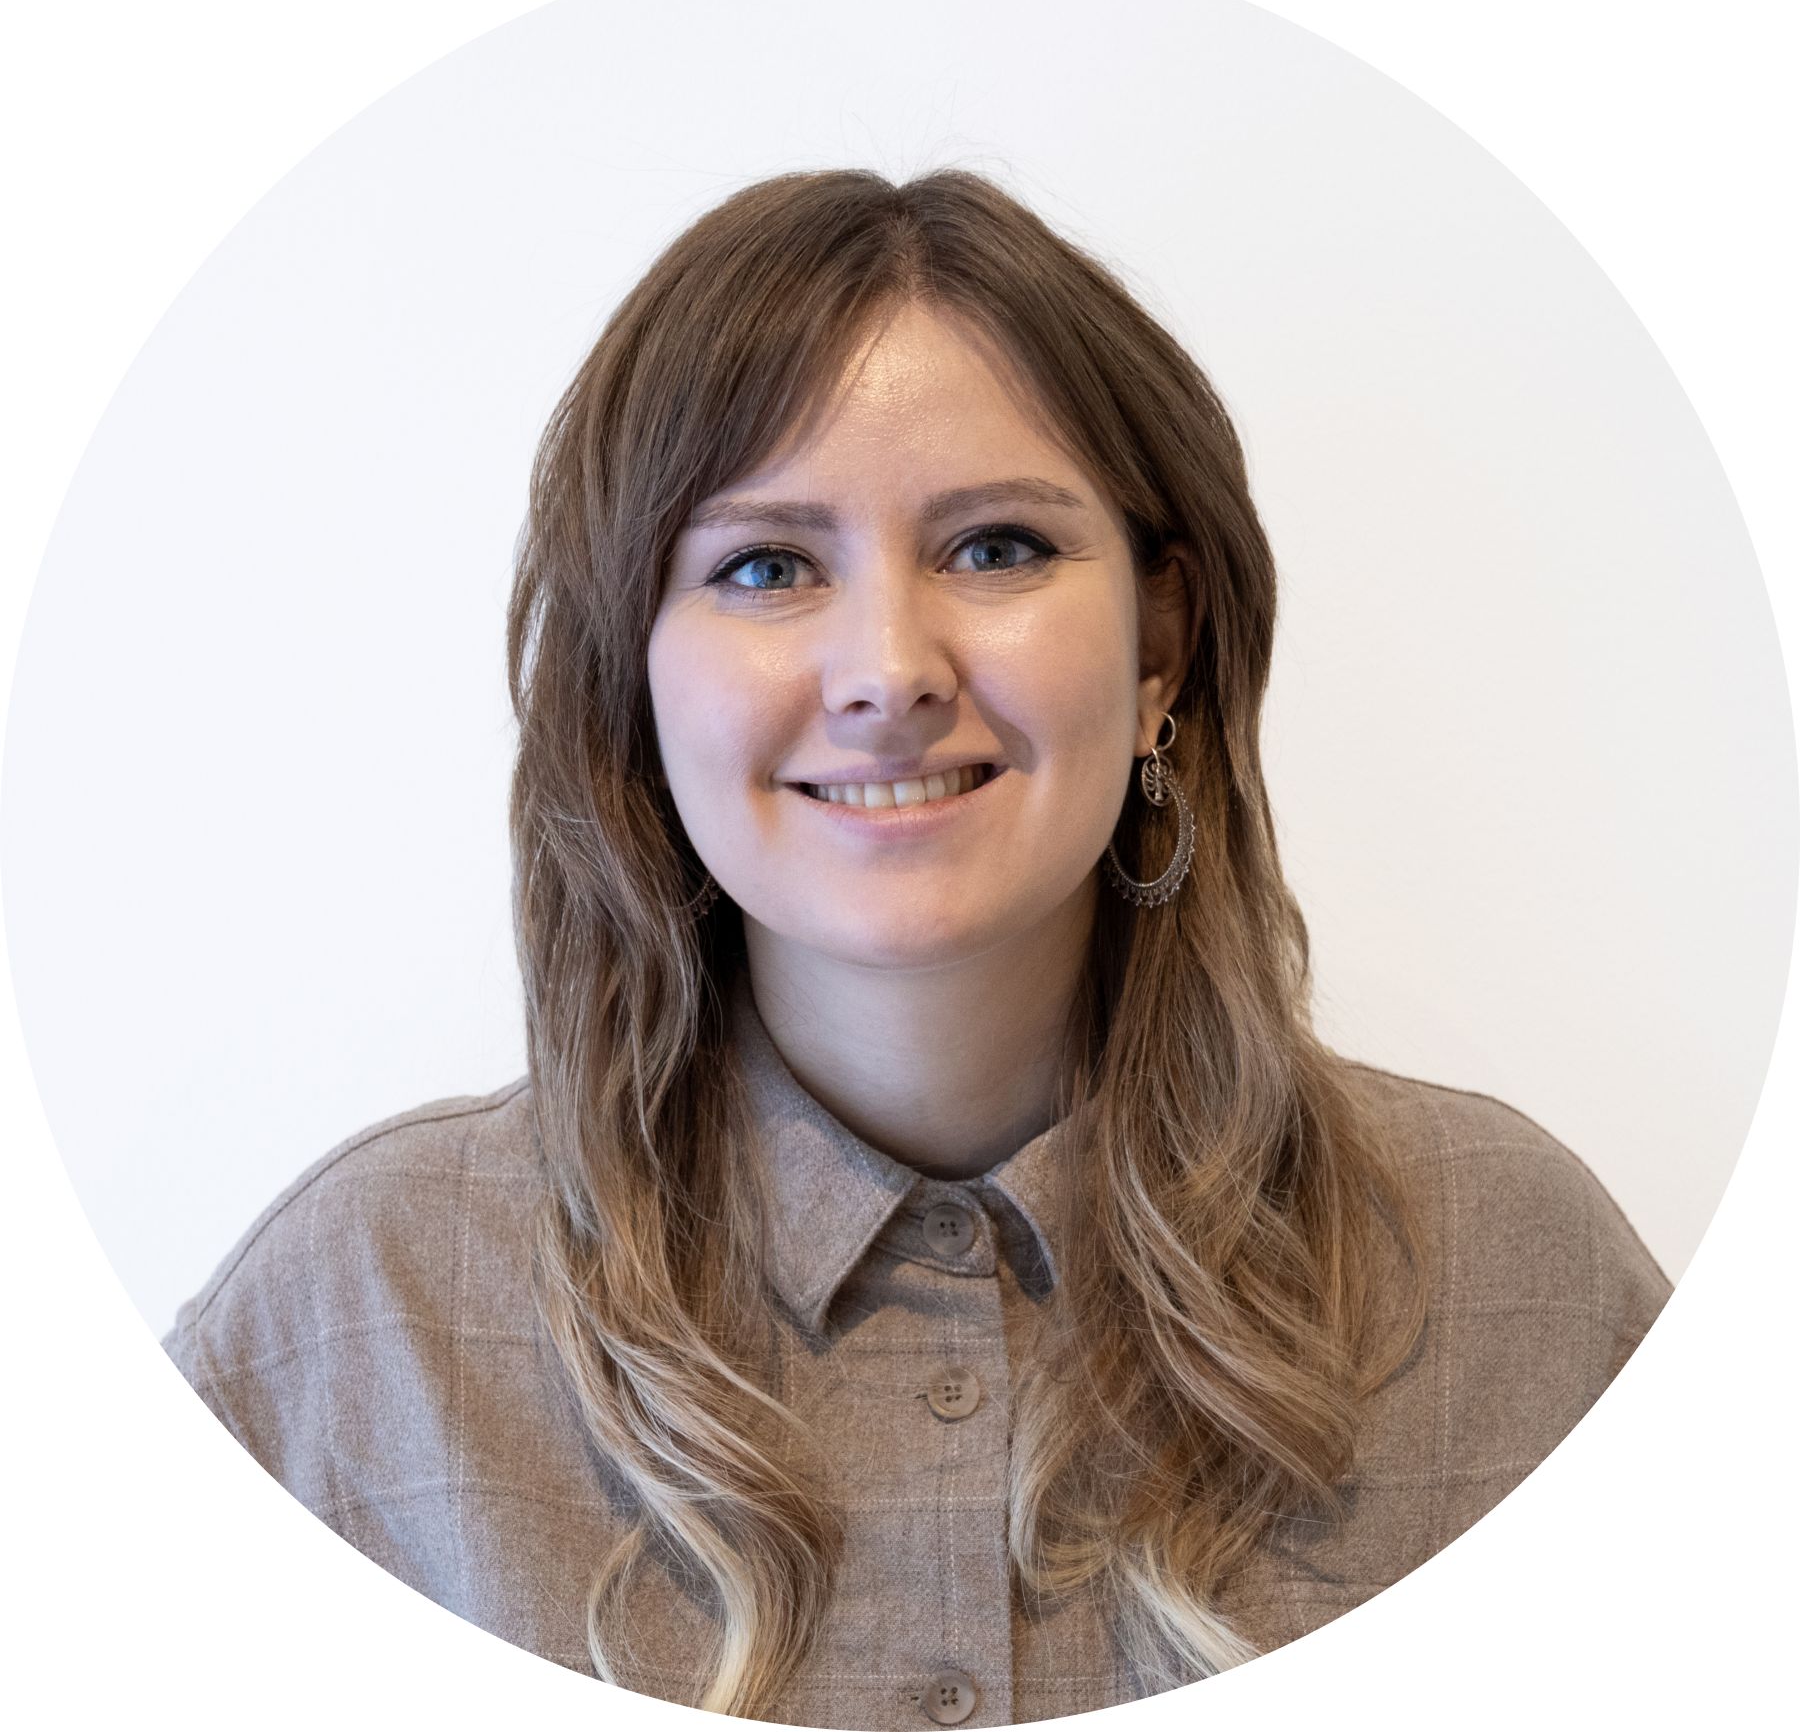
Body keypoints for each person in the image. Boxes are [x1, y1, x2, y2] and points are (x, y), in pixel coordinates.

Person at [160, 168, 1670, 1729]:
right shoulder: (362, 1318)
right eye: (766, 566)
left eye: (997, 547)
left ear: (1161, 650)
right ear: (634, 680)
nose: (887, 671)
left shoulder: (1519, 1279)